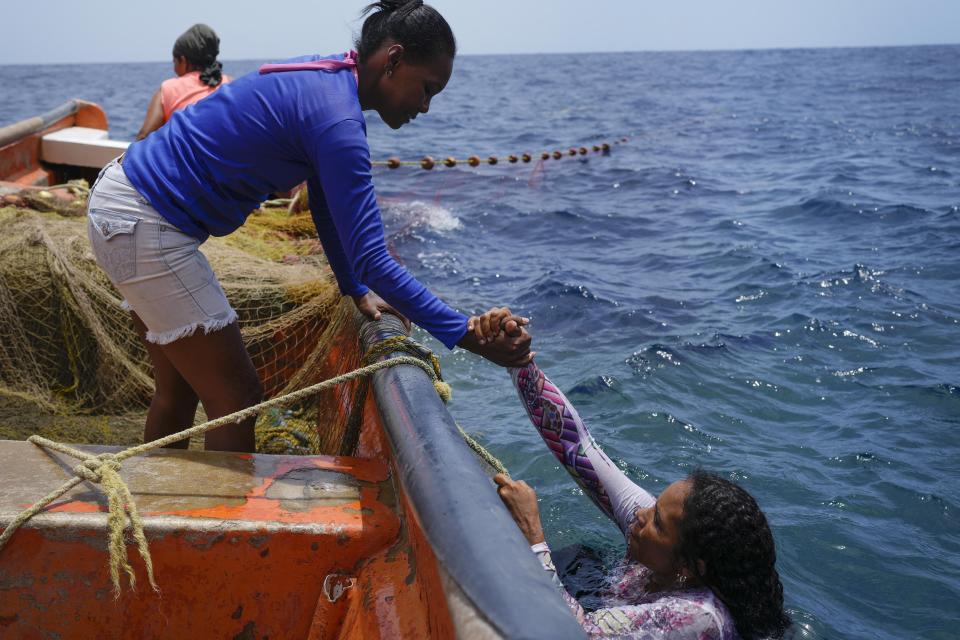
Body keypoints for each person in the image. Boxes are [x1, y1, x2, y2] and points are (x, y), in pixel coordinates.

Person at [86, 0, 531, 453]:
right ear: (394, 60)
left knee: (178, 391)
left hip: (124, 201)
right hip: (144, 221)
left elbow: (322, 201)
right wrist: (464, 334)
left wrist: (351, 287)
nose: (426, 106)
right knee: (237, 398)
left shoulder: (329, 79)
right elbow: (373, 258)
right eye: (427, 88)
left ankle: (153, 505)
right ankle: (220, 522)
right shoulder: (339, 122)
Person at [471, 309, 790, 639]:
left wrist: (533, 537)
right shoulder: (662, 545)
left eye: (657, 523)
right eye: (655, 507)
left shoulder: (700, 617)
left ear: (690, 568)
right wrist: (517, 361)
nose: (640, 513)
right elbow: (575, 445)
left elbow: (569, 635)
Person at [135, 23, 231, 140]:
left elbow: (144, 136)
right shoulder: (229, 84)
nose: (174, 67)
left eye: (174, 61)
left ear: (183, 60)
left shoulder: (168, 89)